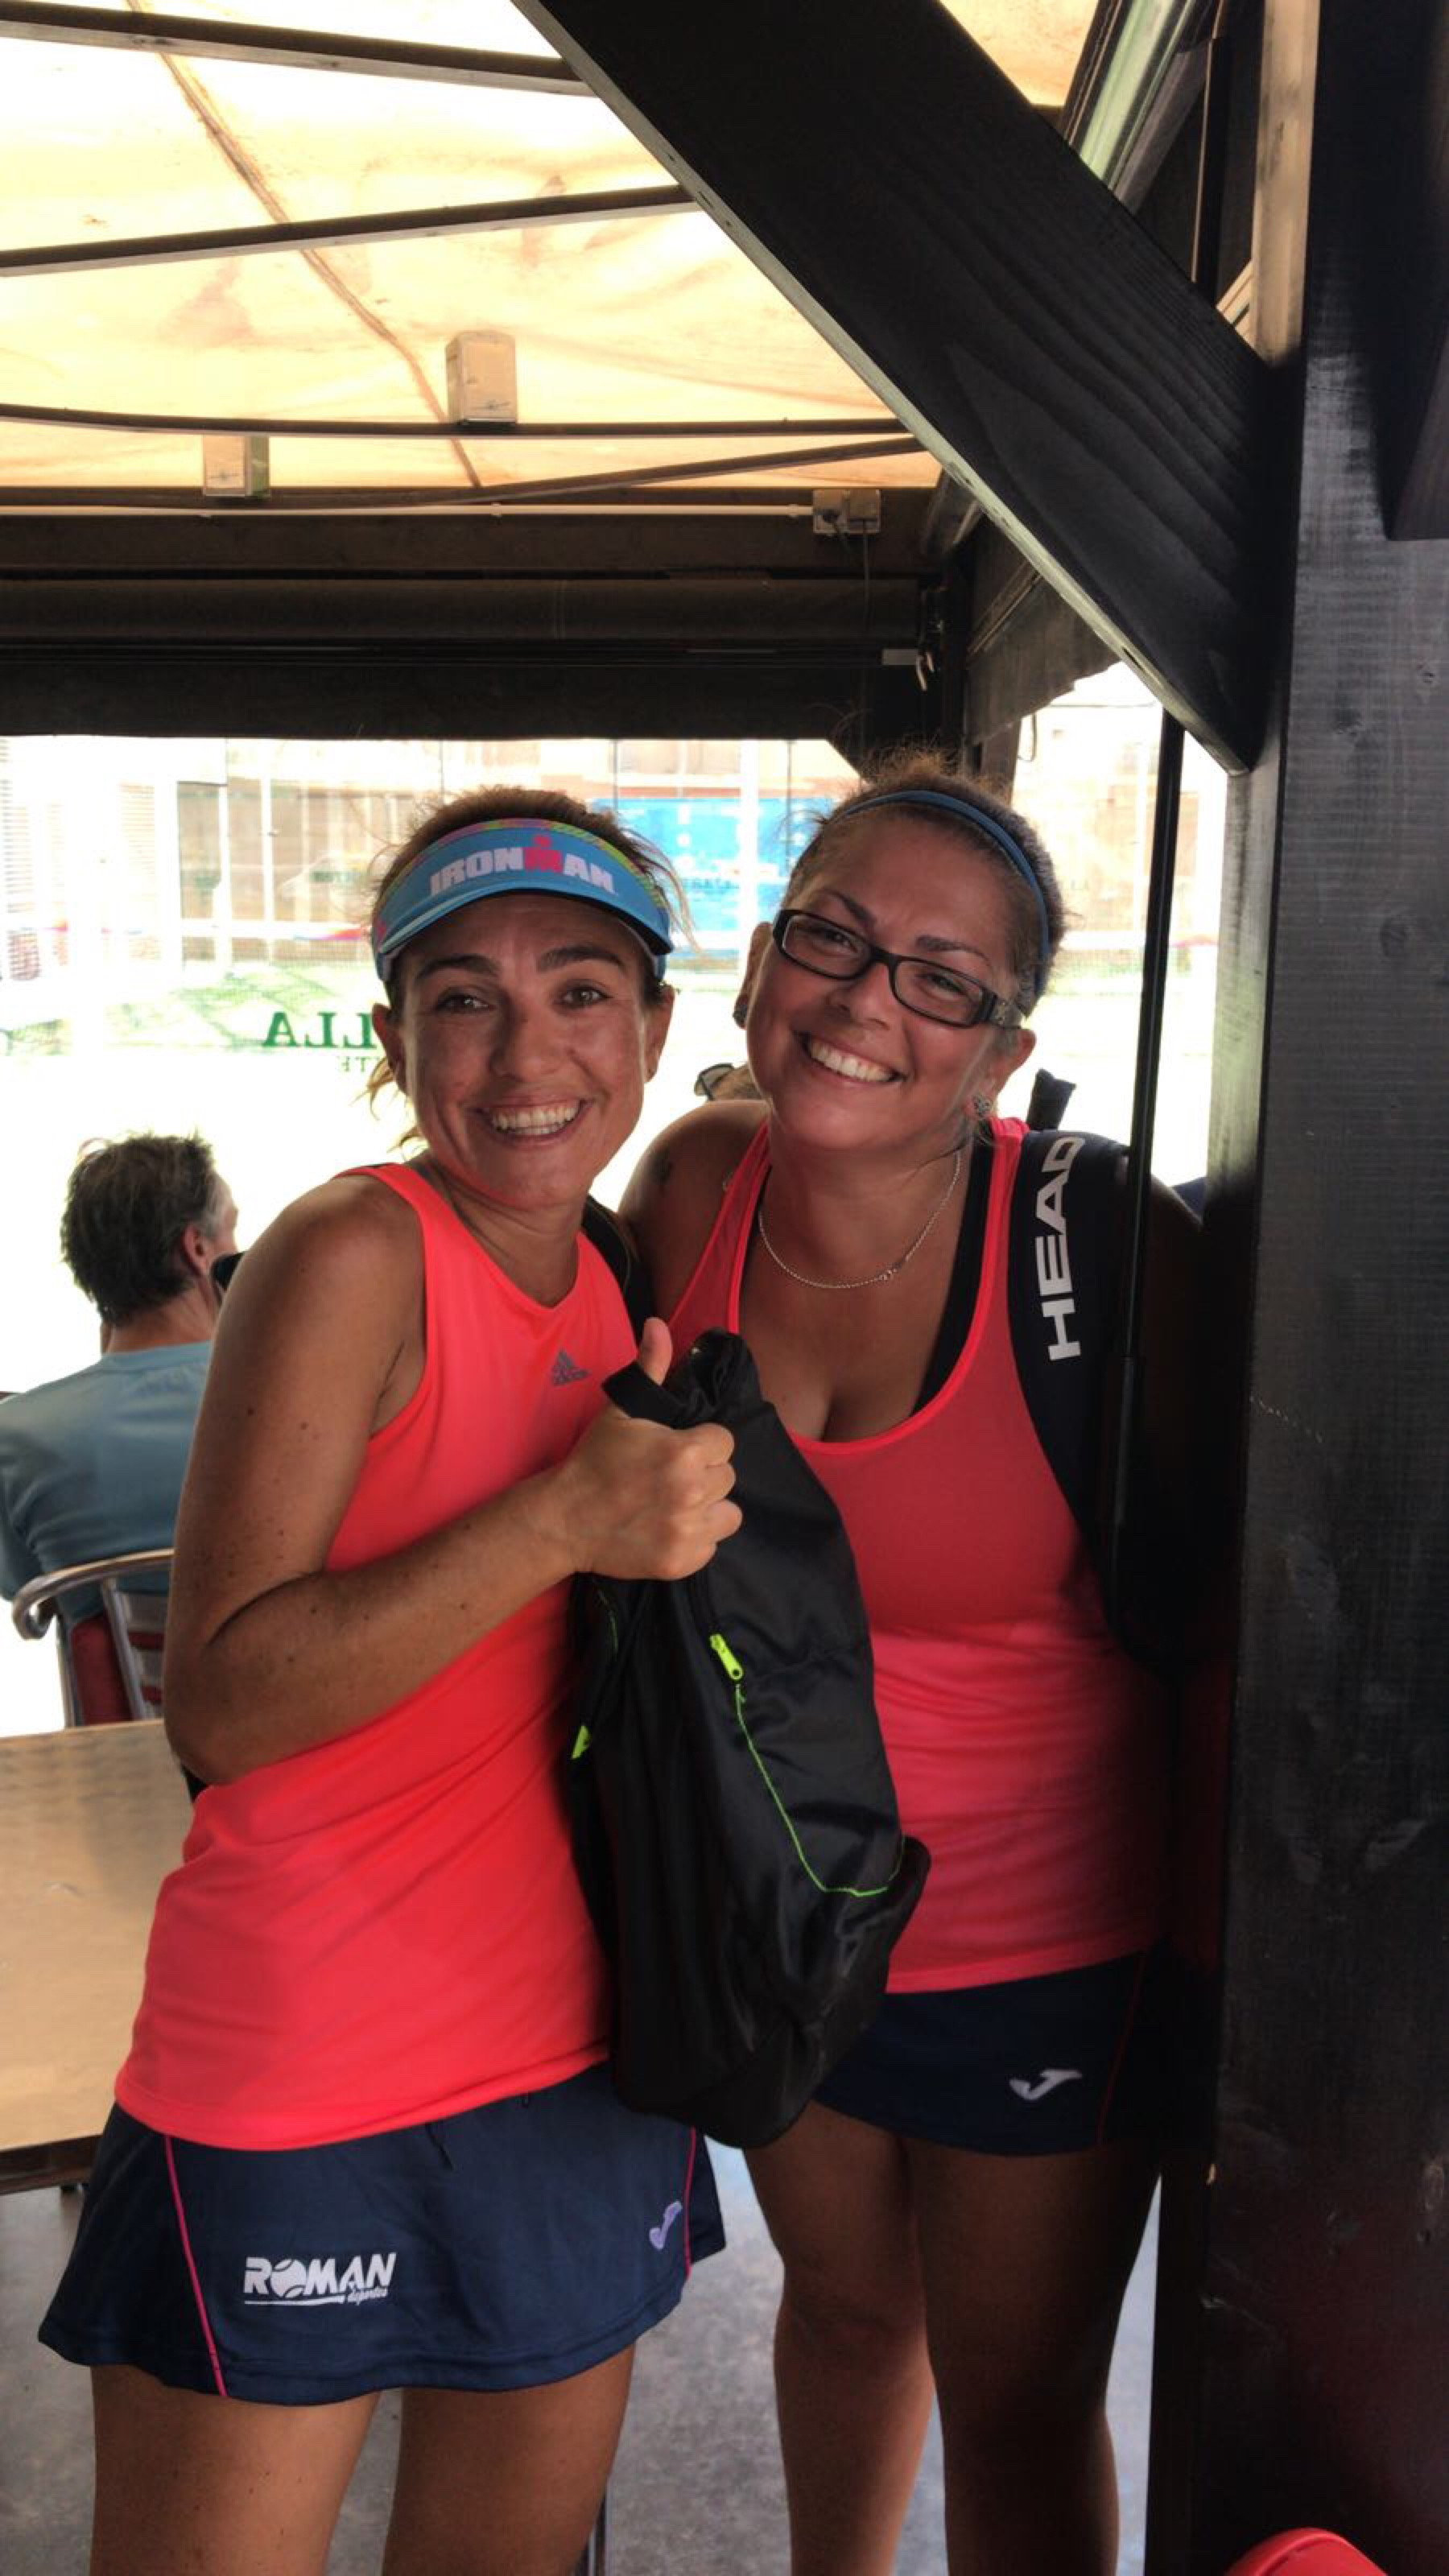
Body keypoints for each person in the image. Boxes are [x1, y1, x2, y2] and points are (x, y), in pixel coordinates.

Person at [39, 787, 740, 2576]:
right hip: (303, 2067)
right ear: (392, 1037)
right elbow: (223, 1701)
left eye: (581, 992)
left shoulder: (614, 1268)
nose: (528, 1054)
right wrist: (564, 1518)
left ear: (654, 1026)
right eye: (463, 998)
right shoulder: (353, 1250)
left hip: (582, 2063)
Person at [621, 753, 1198, 2576]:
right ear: (759, 964)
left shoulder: (1105, 1248)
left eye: (943, 979)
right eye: (834, 939)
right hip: (782, 1919)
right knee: (849, 2318)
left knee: (1018, 2401)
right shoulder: (690, 1191)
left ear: (1003, 1050)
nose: (870, 1002)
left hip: (1046, 1950)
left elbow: (1257, 1641)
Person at [0, 1132, 237, 1628]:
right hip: (298, 1675)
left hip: (129, 1682)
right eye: (231, 1232)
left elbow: (30, 1586)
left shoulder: (16, 1436)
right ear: (198, 1249)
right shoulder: (298, 1400)